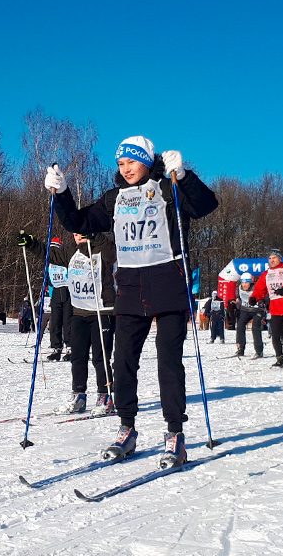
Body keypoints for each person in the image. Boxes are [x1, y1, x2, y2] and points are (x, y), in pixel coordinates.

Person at [46, 136, 218, 467]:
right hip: (129, 288)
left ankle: (175, 436)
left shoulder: (167, 189)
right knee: (122, 362)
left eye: (132, 163)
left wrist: (183, 177)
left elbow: (205, 206)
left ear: (147, 162)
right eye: (121, 164)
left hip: (167, 285)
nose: (125, 169)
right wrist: (62, 192)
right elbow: (78, 222)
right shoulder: (114, 199)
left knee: (168, 363)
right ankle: (127, 429)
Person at [54, 232, 117, 416]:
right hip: (79, 312)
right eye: (75, 233)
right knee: (77, 356)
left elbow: (111, 252)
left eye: (81, 232)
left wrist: (94, 235)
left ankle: (105, 396)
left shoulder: (104, 248)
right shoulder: (72, 251)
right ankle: (79, 395)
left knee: (100, 357)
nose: (77, 236)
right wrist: (31, 244)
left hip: (102, 311)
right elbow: (52, 254)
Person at [44, 237, 72, 359]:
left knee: (68, 321)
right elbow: (49, 280)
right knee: (55, 322)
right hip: (56, 292)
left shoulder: (66, 259)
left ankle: (71, 347)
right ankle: (56, 348)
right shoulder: (49, 263)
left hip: (67, 291)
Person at [233, 272, 266, 358]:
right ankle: (240, 349)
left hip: (258, 310)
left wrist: (265, 309)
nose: (244, 285)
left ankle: (259, 351)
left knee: (255, 328)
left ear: (250, 282)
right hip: (245, 310)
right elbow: (237, 297)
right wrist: (236, 301)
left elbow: (265, 297)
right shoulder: (239, 288)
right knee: (240, 326)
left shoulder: (256, 288)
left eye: (246, 282)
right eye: (243, 282)